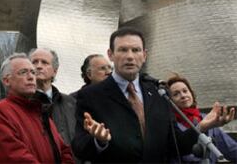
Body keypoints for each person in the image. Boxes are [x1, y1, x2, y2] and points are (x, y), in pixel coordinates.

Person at [72, 26, 234, 163]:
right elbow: (79, 148)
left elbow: (175, 145)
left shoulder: (158, 92)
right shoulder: (91, 95)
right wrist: (99, 141)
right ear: (111, 54)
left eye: (135, 50)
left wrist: (203, 126)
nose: (130, 56)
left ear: (144, 55)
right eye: (122, 50)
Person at [0, 53, 74, 163]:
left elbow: (64, 150)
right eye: (23, 72)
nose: (31, 77)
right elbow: (14, 158)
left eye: (33, 72)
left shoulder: (39, 111)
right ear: (7, 81)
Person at [167, 73, 237, 163]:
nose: (183, 96)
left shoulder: (206, 118)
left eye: (185, 91)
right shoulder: (170, 125)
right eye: (176, 94)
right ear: (170, 101)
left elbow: (231, 148)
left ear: (191, 93)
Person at [29, 48, 76, 146]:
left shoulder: (71, 102)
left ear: (55, 71)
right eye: (34, 62)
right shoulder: (22, 102)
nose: (38, 66)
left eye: (44, 62)